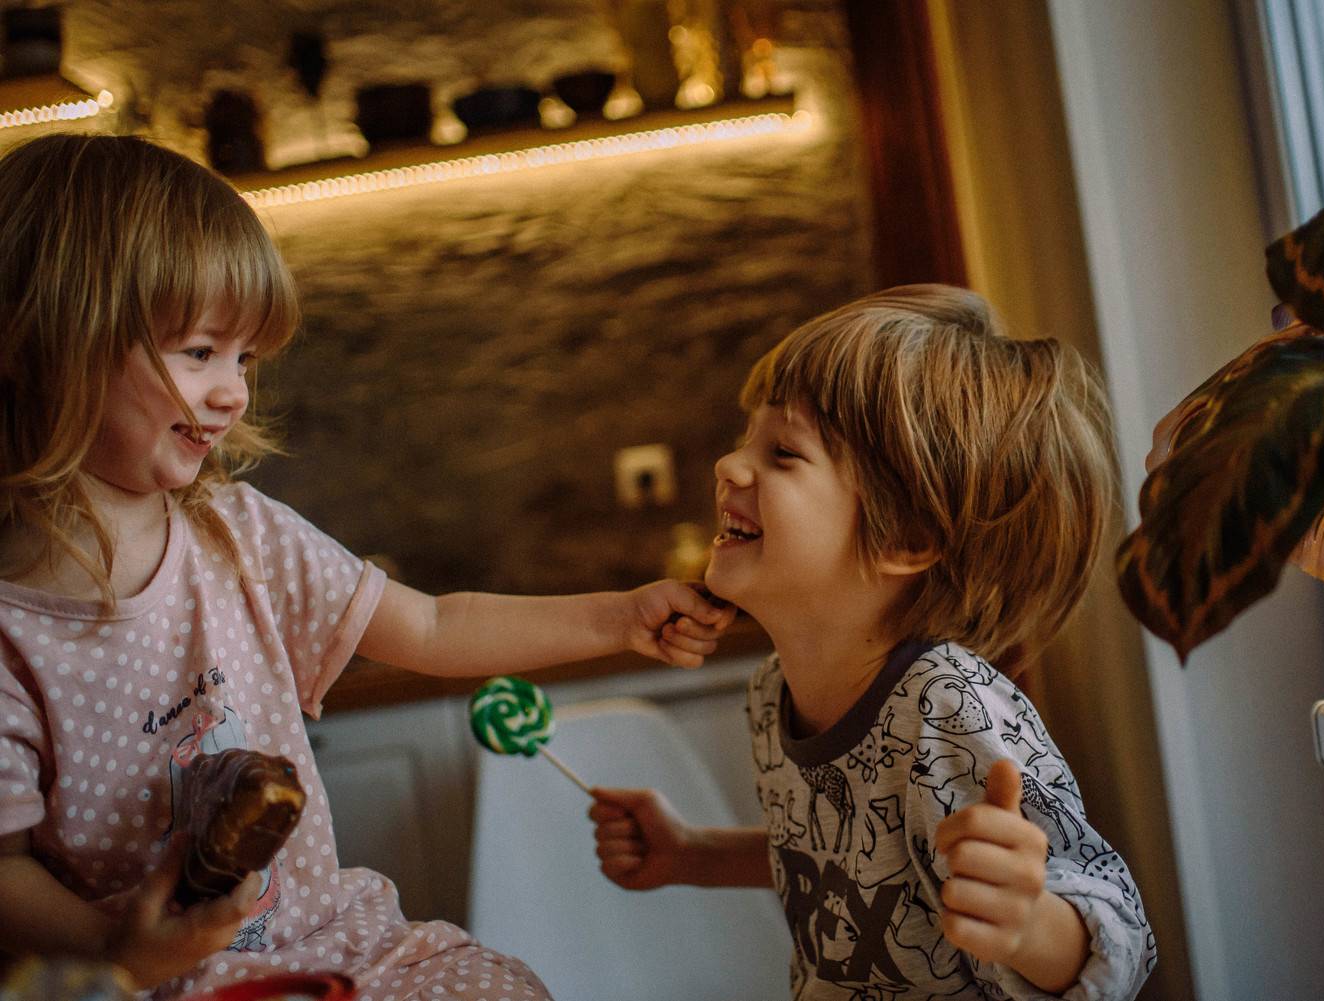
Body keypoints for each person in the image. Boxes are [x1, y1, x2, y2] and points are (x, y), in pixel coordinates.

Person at [0, 133, 735, 1001]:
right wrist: (119, 948)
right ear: (56, 342)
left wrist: (618, 616)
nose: (234, 392)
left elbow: (432, 624)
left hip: (335, 942)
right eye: (199, 351)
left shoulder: (239, 533)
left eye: (245, 358)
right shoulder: (12, 633)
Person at [589, 286, 1156, 999]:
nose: (729, 465)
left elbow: (1122, 937)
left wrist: (1030, 924)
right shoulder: (774, 690)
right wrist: (693, 853)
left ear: (904, 538)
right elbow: (852, 863)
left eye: (783, 452)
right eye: (747, 439)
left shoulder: (948, 706)